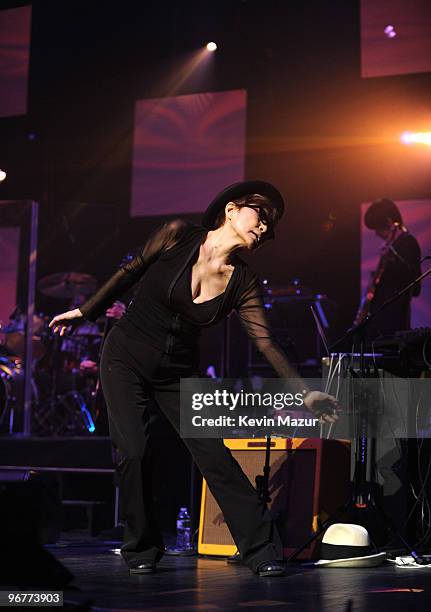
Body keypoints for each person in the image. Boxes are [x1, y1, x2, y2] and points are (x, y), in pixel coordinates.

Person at [49, 180, 338, 577]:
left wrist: (305, 393)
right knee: (134, 452)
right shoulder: (177, 235)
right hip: (126, 357)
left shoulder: (243, 281)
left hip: (178, 373)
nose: (266, 228)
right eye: (262, 216)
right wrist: (86, 311)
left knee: (215, 456)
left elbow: (266, 343)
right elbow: (128, 272)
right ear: (233, 209)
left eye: (272, 225)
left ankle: (262, 551)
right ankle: (142, 547)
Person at [354, 198, 421, 337]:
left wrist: (393, 260)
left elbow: (415, 287)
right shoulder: (393, 246)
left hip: (393, 323)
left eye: (378, 228)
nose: (376, 233)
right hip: (381, 322)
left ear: (389, 222)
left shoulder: (407, 242)